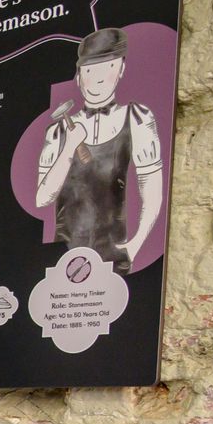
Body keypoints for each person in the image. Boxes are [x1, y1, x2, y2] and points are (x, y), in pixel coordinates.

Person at [33, 27, 164, 274]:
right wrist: (69, 148)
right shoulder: (58, 132)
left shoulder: (136, 118)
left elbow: (152, 193)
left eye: (108, 67)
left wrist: (135, 245)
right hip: (61, 260)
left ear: (121, 69)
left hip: (112, 256)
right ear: (79, 74)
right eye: (90, 69)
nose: (98, 79)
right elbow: (43, 198)